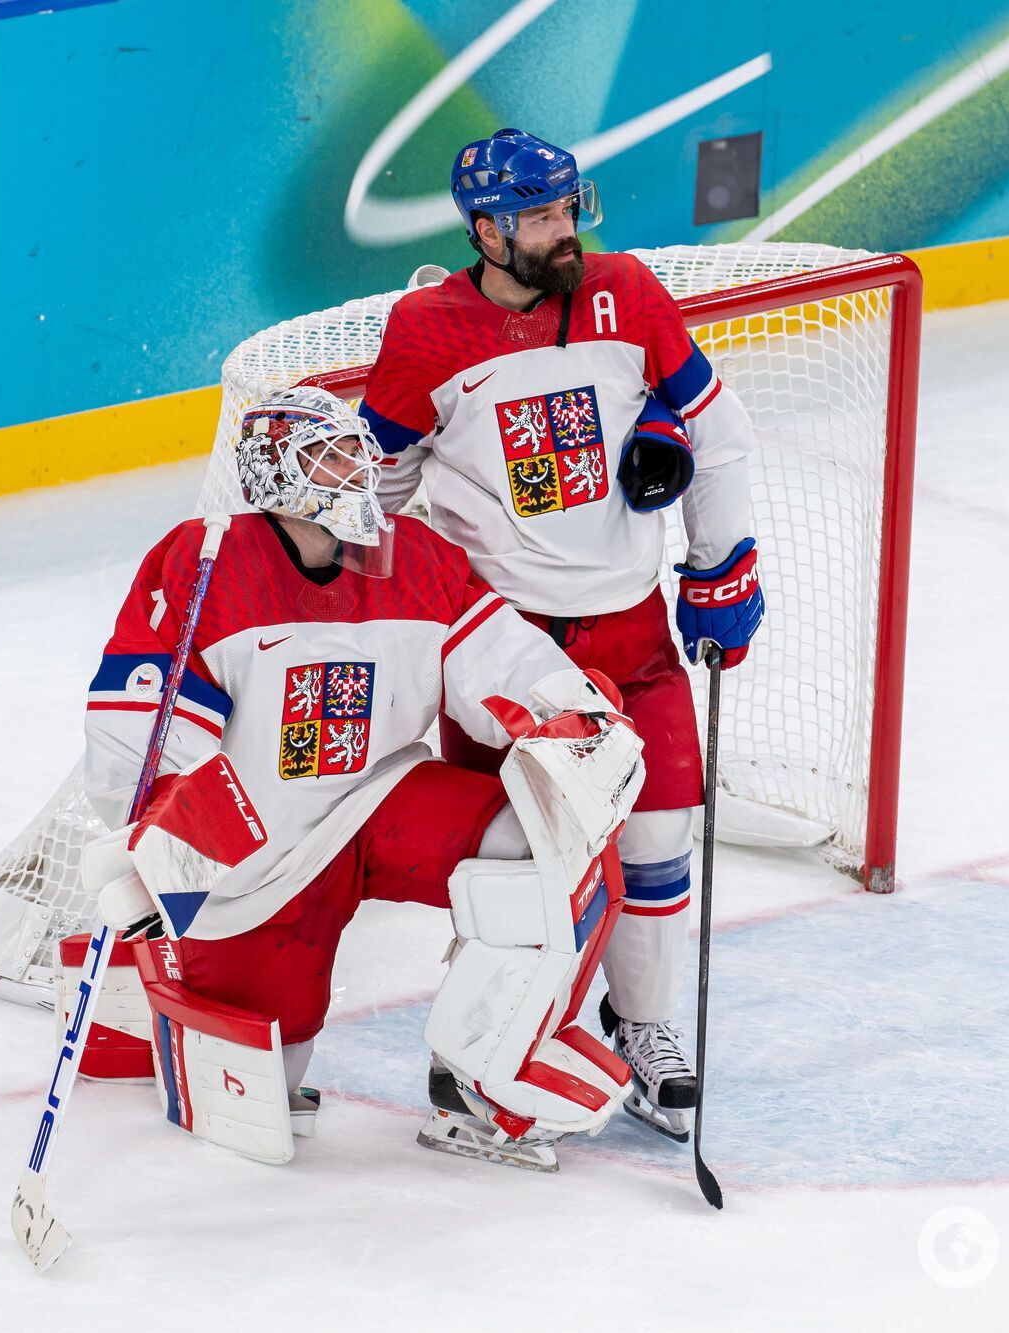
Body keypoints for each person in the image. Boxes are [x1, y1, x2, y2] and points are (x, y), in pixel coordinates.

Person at [74, 386, 647, 1171]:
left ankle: (475, 1082)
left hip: (379, 803)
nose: (355, 470)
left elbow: (500, 660)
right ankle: (149, 984)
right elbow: (137, 738)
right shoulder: (206, 565)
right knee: (270, 1096)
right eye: (328, 455)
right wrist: (171, 845)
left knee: (542, 838)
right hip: (257, 857)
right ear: (276, 475)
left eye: (355, 452)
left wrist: (574, 717)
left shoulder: (411, 557)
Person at [356, 128, 766, 1140]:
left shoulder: (626, 291)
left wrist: (718, 567)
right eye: (539, 217)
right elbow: (381, 492)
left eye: (568, 209)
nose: (564, 232)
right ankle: (492, 1044)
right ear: (486, 230)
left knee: (660, 832)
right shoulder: (423, 332)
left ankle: (642, 1025)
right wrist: (406, 616)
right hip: (510, 648)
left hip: (629, 626)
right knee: (523, 859)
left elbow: (714, 437)